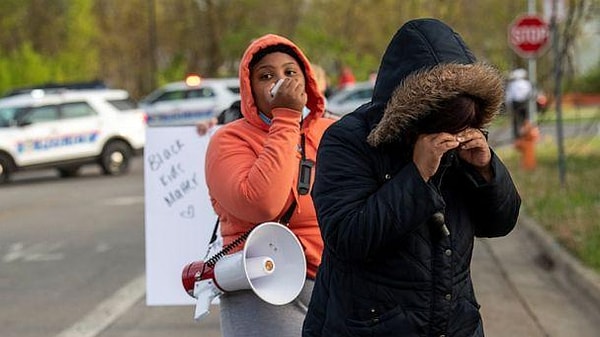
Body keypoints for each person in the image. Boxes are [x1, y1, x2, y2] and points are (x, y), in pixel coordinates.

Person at [303, 18, 521, 337]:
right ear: (419, 113)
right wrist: (416, 176)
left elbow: (500, 223)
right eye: (448, 126)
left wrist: (487, 170)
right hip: (366, 325)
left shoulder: (464, 133)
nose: (455, 135)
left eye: (465, 126)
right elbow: (346, 237)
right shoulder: (348, 139)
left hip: (455, 323)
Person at [204, 34, 335, 337]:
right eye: (266, 76)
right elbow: (263, 204)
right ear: (250, 89)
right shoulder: (229, 140)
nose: (281, 82)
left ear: (308, 82)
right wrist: (287, 118)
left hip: (334, 284)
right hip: (262, 289)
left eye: (291, 73)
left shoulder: (331, 131)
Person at [505, 68, 533, 140]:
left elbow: (509, 96)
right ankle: (527, 134)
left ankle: (517, 136)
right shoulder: (527, 83)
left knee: (516, 121)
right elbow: (530, 93)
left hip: (516, 104)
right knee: (525, 119)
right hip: (524, 103)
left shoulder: (512, 84)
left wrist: (508, 106)